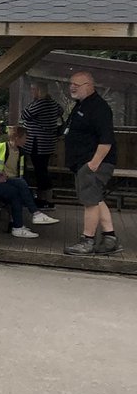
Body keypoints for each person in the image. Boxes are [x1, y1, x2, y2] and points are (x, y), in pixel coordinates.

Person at [62, 70, 120, 256]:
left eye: (76, 85)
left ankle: (87, 240)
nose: (72, 87)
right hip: (82, 163)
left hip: (94, 163)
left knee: (90, 202)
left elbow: (106, 140)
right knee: (96, 199)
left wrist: (93, 164)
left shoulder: (99, 108)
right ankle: (110, 238)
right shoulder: (81, 105)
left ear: (89, 86)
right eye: (70, 84)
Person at [0, 117, 57, 238]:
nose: (0, 131)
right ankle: (24, 221)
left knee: (20, 183)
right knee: (15, 191)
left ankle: (30, 217)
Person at [19, 81, 64, 210]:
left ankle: (44, 199)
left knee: (40, 172)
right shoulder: (53, 104)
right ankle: (43, 198)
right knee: (42, 170)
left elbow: (25, 115)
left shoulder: (39, 104)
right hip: (48, 143)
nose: (31, 92)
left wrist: (33, 102)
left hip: (37, 143)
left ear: (39, 91)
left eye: (34, 90)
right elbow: (61, 111)